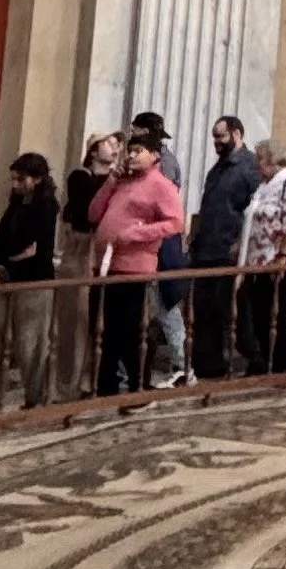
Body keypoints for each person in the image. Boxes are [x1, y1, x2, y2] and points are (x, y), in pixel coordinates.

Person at [90, 133, 186, 395]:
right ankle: (106, 386)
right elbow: (94, 213)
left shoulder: (160, 185)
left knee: (131, 330)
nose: (131, 155)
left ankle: (137, 385)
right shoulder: (123, 182)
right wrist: (111, 181)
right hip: (106, 264)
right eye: (130, 150)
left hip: (134, 267)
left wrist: (135, 234)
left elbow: (175, 222)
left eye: (139, 150)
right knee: (104, 329)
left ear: (155, 155)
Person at [0, 152, 59, 411]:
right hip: (5, 275)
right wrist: (4, 258)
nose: (15, 185)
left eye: (20, 179)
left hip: (33, 281)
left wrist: (10, 256)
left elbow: (32, 248)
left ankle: (35, 397)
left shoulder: (46, 206)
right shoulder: (15, 204)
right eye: (13, 179)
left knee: (30, 345)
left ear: (37, 179)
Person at [186, 116, 259, 384]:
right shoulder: (217, 169)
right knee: (204, 308)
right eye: (214, 137)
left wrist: (241, 242)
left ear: (236, 134)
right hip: (207, 248)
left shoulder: (249, 168)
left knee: (231, 308)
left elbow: (254, 210)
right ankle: (208, 363)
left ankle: (255, 355)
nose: (216, 142)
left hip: (228, 249)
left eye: (221, 137)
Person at [237, 141, 286, 376]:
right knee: (259, 314)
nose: (257, 163)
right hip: (257, 262)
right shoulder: (264, 186)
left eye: (260, 158)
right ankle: (271, 363)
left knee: (274, 313)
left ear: (273, 159)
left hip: (280, 262)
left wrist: (282, 256)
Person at [57, 132, 121, 395]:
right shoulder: (80, 177)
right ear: (93, 150)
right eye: (109, 142)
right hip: (81, 249)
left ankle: (94, 376)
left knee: (99, 317)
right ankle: (70, 380)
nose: (116, 147)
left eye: (118, 143)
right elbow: (87, 211)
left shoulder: (118, 180)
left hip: (106, 250)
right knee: (75, 316)